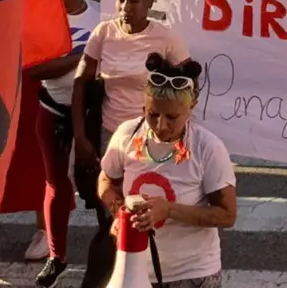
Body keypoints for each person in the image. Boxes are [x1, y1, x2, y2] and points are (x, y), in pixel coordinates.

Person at [73, 0, 190, 288]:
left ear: (150, 2)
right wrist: (80, 136)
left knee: (145, 217)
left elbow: (190, 82)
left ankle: (146, 277)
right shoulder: (104, 33)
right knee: (110, 218)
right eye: (122, 0)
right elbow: (81, 83)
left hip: (151, 144)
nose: (126, 7)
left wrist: (173, 126)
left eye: (134, 1)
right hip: (111, 137)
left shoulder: (164, 38)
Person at [97, 54, 237, 288]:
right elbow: (106, 180)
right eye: (152, 115)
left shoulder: (208, 147)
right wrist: (118, 211)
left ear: (190, 107)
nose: (161, 125)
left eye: (172, 117)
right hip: (135, 269)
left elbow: (227, 214)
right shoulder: (127, 134)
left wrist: (169, 210)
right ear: (144, 106)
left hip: (192, 274)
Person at [24, 0, 102, 287]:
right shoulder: (42, 17)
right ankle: (56, 257)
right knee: (56, 184)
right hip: (53, 110)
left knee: (104, 187)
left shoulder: (101, 15)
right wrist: (81, 57)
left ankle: (111, 249)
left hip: (94, 113)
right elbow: (34, 70)